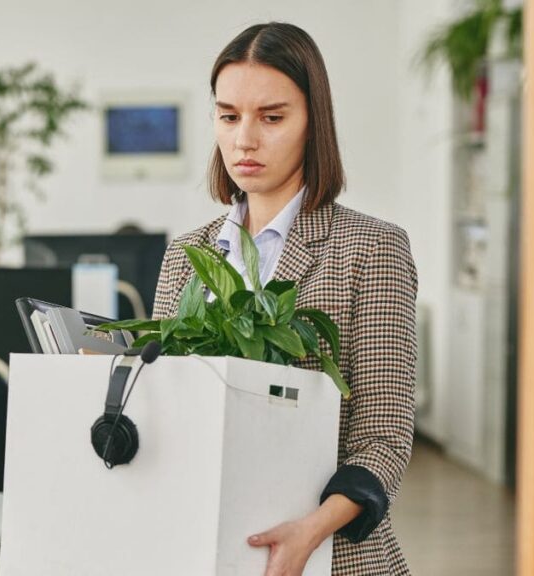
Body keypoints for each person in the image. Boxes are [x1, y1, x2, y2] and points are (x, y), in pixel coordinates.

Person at [152, 22, 418, 576]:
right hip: (199, 545)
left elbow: (383, 439)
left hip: (332, 553)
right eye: (228, 117)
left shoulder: (371, 248)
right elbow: (165, 410)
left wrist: (311, 530)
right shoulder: (187, 254)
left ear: (311, 124)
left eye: (271, 118)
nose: (244, 139)